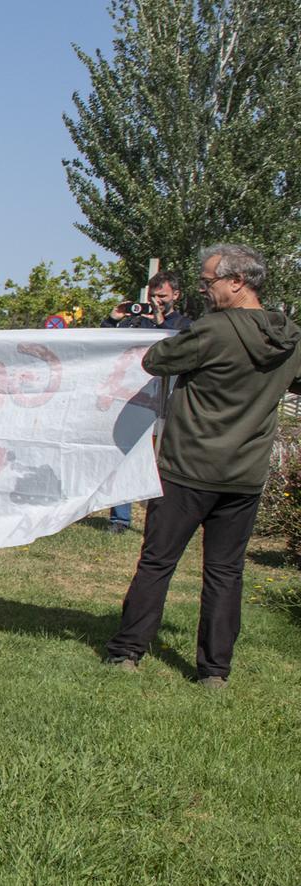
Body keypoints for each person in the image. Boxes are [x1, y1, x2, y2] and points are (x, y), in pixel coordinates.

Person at [104, 244, 299, 686]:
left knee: (157, 562)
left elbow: (155, 360)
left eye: (208, 281)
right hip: (245, 476)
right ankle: (215, 671)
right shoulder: (290, 338)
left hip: (188, 468)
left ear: (237, 282)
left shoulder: (213, 331)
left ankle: (128, 650)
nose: (204, 290)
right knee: (226, 573)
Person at [100, 270, 193, 530]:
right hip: (134, 401)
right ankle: (119, 518)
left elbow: (178, 350)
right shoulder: (136, 324)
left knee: (163, 464)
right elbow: (103, 346)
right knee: (125, 458)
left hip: (168, 405)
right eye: (152, 296)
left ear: (176, 295)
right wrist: (113, 318)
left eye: (162, 296)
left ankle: (162, 518)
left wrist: (161, 320)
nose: (156, 301)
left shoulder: (185, 325)